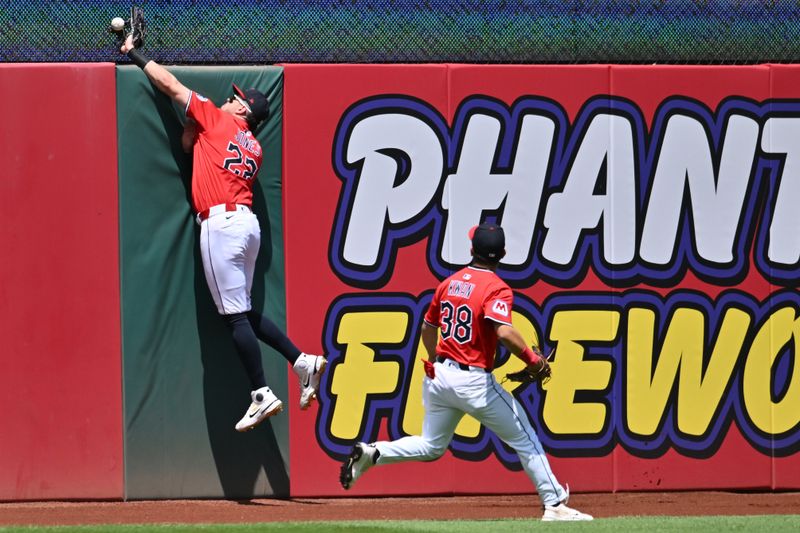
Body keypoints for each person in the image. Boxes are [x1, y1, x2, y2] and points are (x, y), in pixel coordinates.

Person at [119, 36, 326, 432]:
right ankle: (303, 362)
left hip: (221, 226)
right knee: (243, 312)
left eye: (236, 98)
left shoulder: (218, 118)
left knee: (234, 320)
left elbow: (171, 86)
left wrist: (135, 54)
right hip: (247, 227)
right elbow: (189, 144)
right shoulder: (254, 148)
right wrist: (194, 129)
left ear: (244, 108)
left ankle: (262, 393)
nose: (229, 99)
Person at [339, 223, 592, 521]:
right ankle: (555, 504)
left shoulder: (450, 283)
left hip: (441, 376)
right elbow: (504, 332)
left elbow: (427, 327)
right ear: (504, 254)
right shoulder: (496, 287)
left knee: (431, 445)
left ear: (472, 250)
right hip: (473, 382)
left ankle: (374, 453)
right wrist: (532, 361)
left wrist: (435, 360)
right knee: (525, 438)